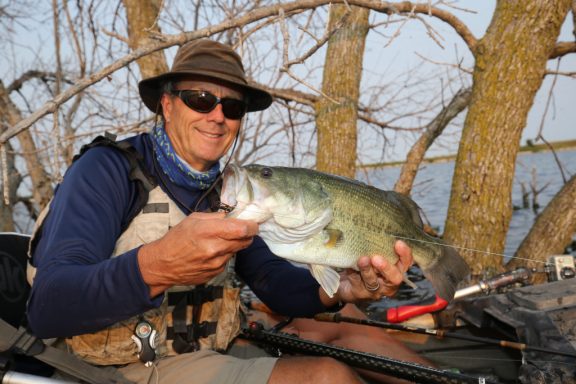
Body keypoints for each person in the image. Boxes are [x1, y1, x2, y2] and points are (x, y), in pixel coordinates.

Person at [26, 39, 415, 384]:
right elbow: (47, 307)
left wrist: (337, 291)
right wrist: (154, 266)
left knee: (357, 326)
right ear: (166, 103)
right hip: (124, 368)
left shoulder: (227, 189)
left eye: (232, 106)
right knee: (327, 376)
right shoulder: (107, 171)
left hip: (209, 347)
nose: (217, 116)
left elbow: (271, 279)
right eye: (200, 99)